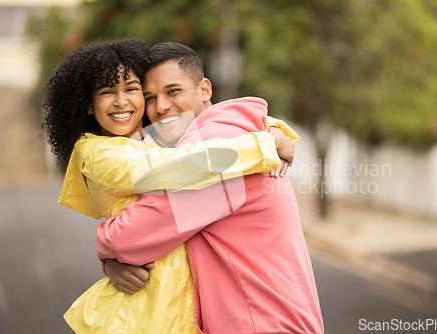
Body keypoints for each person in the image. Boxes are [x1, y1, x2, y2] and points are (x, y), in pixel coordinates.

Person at [42, 38, 296, 333]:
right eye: (107, 92)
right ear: (88, 104)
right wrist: (263, 145)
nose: (122, 101)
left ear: (204, 89)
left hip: (180, 305)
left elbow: (222, 133)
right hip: (145, 309)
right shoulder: (102, 152)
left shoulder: (148, 141)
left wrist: (274, 129)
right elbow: (176, 167)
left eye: (132, 90)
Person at [98, 42, 324, 333]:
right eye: (150, 98)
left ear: (204, 90)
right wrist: (113, 264)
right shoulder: (235, 137)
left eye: (173, 91)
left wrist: (106, 251)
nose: (161, 107)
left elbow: (128, 238)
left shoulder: (210, 151)